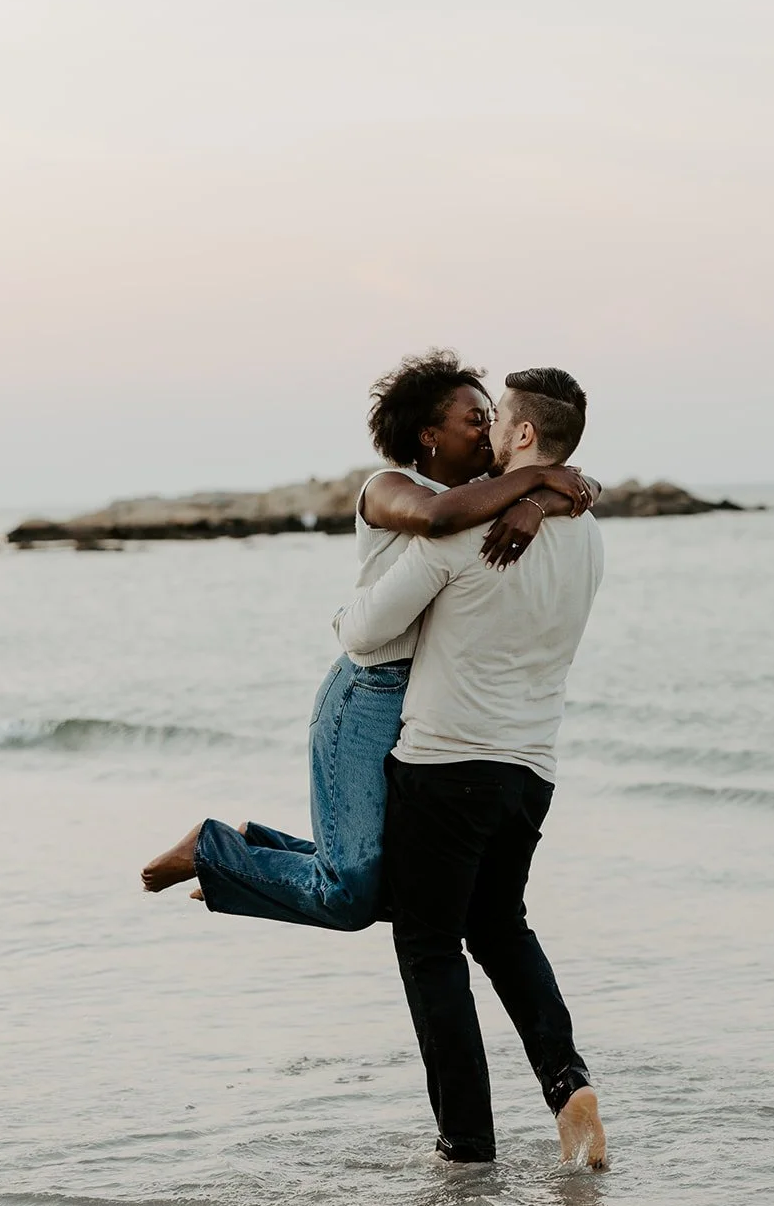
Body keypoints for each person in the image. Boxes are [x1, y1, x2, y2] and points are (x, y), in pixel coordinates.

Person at [140, 350, 594, 931]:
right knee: (352, 900)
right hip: (366, 695)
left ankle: (249, 851)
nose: (489, 429)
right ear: (429, 435)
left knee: (405, 888)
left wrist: (536, 498)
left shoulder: (489, 491)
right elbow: (433, 520)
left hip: (429, 707)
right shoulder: (389, 487)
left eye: (491, 417)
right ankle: (215, 849)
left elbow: (585, 486)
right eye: (474, 419)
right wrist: (534, 479)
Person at [333, 367, 607, 1169]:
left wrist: (345, 612)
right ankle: (568, 1086)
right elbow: (567, 498)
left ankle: (467, 1144)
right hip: (530, 770)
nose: (485, 435)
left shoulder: (460, 533)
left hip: (446, 762)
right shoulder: (585, 531)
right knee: (500, 927)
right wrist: (535, 496)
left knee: (428, 948)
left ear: (523, 436)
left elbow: (364, 632)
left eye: (498, 424)